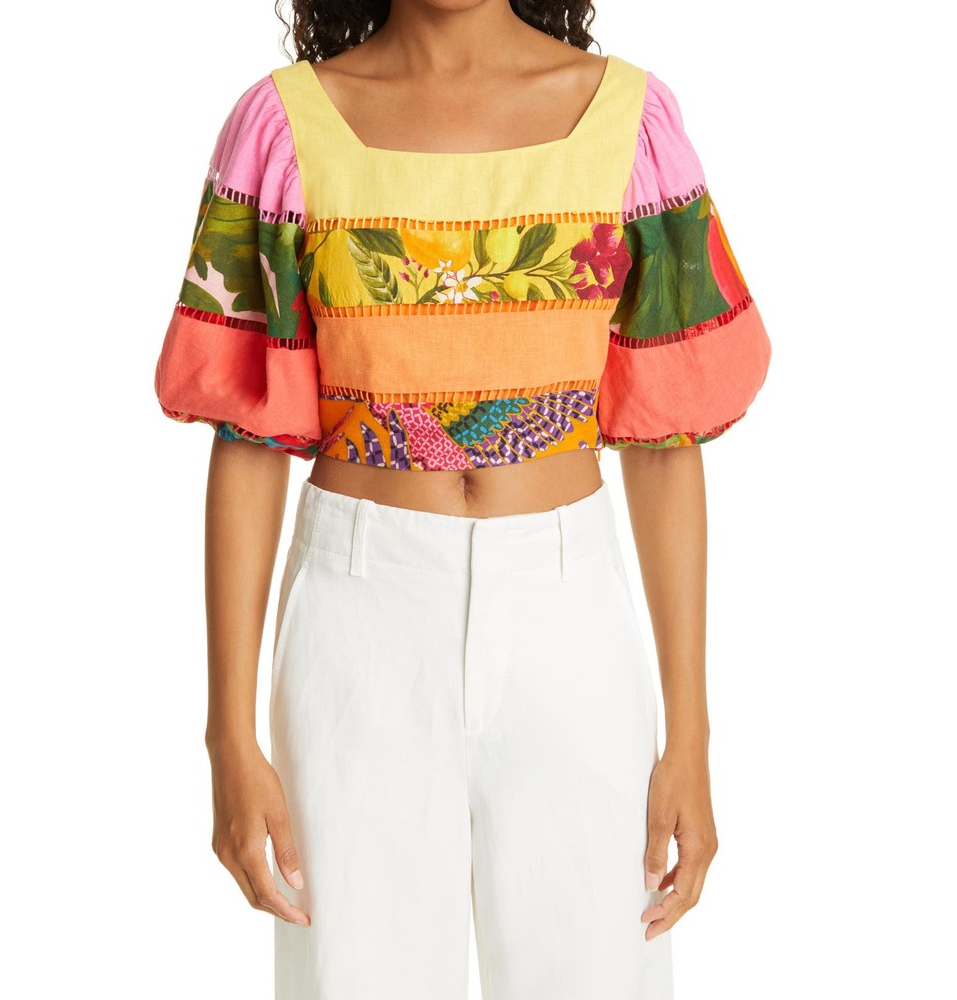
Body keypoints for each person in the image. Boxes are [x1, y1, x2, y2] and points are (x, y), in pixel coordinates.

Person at [153, 1, 771, 996]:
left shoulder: (629, 122)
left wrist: (689, 738)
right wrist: (229, 733)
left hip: (568, 620)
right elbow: (249, 438)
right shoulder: (284, 127)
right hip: (358, 621)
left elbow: (665, 443)